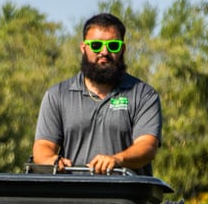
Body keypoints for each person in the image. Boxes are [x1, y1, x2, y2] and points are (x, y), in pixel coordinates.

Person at [32, 12, 162, 175]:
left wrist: (117, 160)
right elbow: (42, 147)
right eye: (96, 45)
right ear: (83, 48)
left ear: (122, 49)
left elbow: (147, 146)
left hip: (126, 197)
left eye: (113, 46)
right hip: (74, 195)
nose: (104, 52)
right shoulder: (57, 95)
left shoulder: (144, 95)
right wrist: (51, 160)